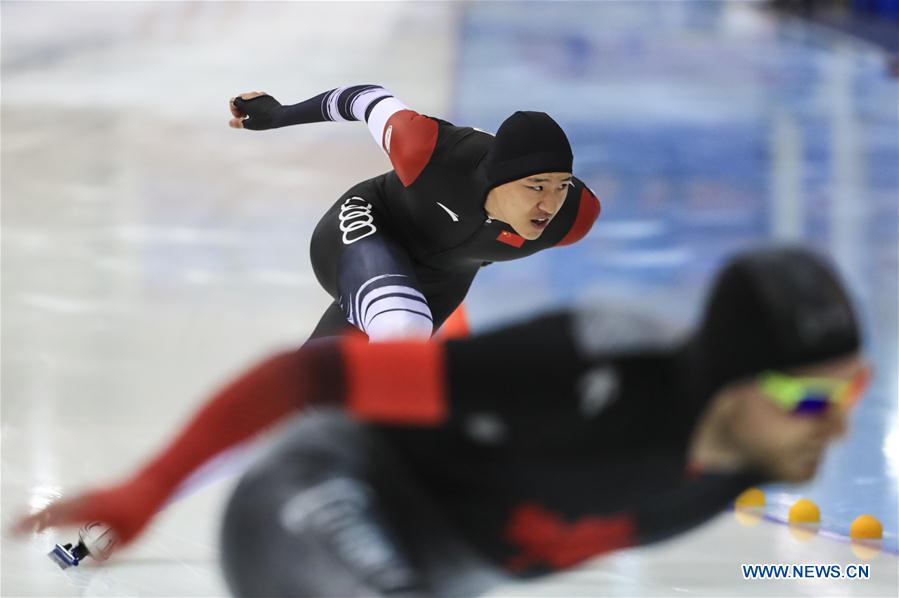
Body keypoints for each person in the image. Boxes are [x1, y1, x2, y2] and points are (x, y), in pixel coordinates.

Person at [14, 247, 868, 596]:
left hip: (445, 563)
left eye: (851, 393)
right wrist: (150, 488)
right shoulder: (591, 366)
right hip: (324, 494)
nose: (832, 427)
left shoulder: (760, 456)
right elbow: (304, 371)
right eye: (808, 396)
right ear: (729, 383)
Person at [227, 85, 601, 341]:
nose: (550, 203)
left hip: (439, 282)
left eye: (562, 185)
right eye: (536, 186)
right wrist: (278, 114)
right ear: (498, 179)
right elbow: (366, 98)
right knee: (402, 325)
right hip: (370, 227)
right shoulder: (430, 152)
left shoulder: (572, 218)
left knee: (323, 387)